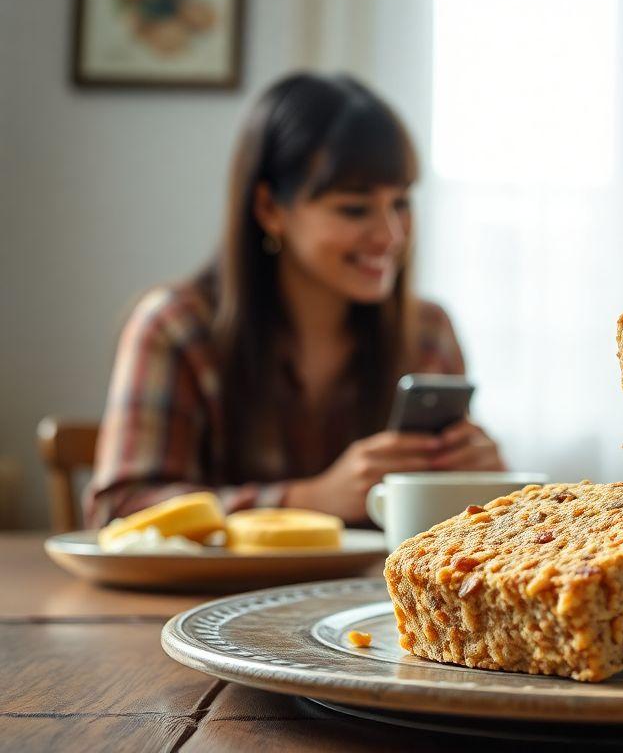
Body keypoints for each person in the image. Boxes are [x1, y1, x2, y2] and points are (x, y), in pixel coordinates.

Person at [86, 72, 505, 527]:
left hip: (377, 578)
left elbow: (452, 531)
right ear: (270, 209)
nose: (391, 235)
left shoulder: (428, 332)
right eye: (354, 209)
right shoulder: (175, 326)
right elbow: (117, 509)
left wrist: (487, 484)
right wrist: (308, 499)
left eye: (401, 204)